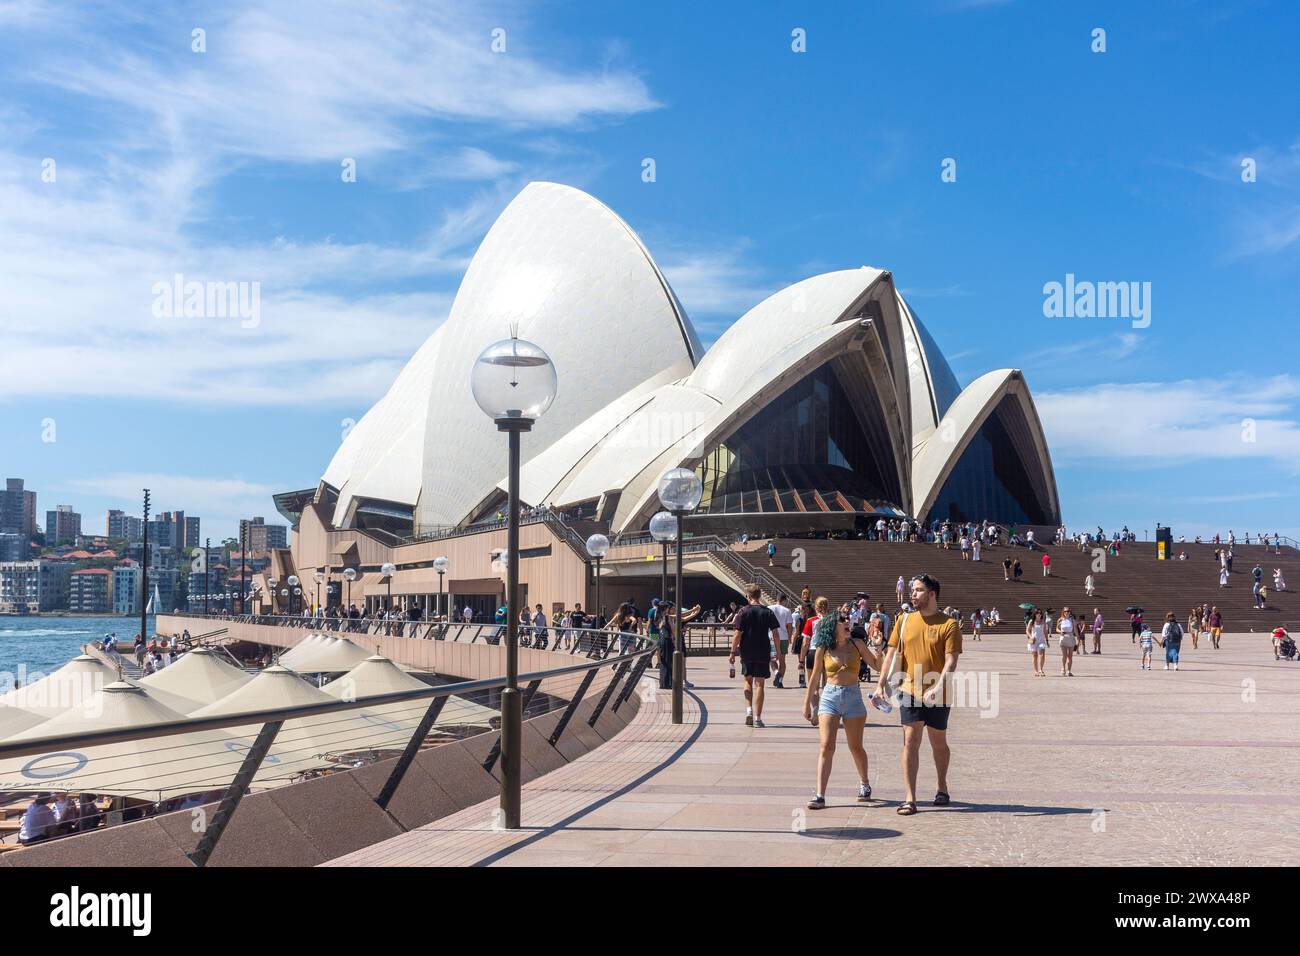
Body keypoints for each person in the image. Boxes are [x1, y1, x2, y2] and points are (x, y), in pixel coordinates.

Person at [874, 573, 962, 816]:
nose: (913, 594)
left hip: (938, 693)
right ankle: (910, 798)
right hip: (909, 689)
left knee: (938, 743)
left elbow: (951, 661)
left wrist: (938, 686)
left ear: (932, 594)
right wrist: (881, 684)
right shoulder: (903, 621)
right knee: (910, 741)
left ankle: (941, 785)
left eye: (919, 590)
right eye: (913, 590)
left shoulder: (949, 624)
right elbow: (891, 654)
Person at [802, 610, 882, 809]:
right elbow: (814, 678)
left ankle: (864, 783)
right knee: (826, 746)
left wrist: (879, 646)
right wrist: (807, 704)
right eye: (841, 621)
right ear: (832, 626)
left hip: (853, 697)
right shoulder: (824, 648)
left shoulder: (858, 644)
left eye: (847, 620)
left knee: (856, 747)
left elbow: (878, 666)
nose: (847, 623)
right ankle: (820, 794)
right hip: (830, 697)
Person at [729, 585, 780, 727]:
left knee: (747, 681)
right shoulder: (767, 612)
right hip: (763, 651)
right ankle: (758, 718)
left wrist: (733, 652)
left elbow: (737, 634)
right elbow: (775, 634)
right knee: (760, 684)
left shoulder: (743, 612)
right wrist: (778, 652)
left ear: (748, 596)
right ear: (759, 595)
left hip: (747, 651)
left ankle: (749, 710)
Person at [801, 596, 831, 720]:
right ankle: (825, 709)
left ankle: (815, 708)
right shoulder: (832, 621)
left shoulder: (810, 621)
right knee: (826, 684)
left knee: (813, 683)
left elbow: (805, 643)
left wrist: (801, 659)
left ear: (816, 607)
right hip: (828, 653)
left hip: (813, 652)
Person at [767, 594, 793, 689]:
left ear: (777, 599)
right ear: (784, 600)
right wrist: (790, 637)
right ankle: (780, 681)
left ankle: (776, 673)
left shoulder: (769, 608)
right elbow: (789, 626)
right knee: (782, 661)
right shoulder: (787, 610)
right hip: (783, 637)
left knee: (772, 659)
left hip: (771, 637)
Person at [1056, 607, 1078, 677]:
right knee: (1064, 655)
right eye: (1065, 611)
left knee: (1070, 656)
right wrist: (1060, 632)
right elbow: (1057, 629)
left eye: (1068, 611)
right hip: (1063, 638)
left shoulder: (1072, 620)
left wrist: (1078, 637)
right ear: (1063, 612)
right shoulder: (1060, 620)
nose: (1067, 612)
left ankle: (1069, 670)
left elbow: (1075, 629)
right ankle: (1063, 668)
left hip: (1070, 637)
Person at [1026, 609, 1048, 677]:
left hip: (1041, 641)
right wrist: (1031, 637)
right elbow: (1027, 630)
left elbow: (1045, 632)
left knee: (1042, 655)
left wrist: (1047, 640)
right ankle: (1036, 671)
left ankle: (1041, 669)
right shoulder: (1031, 621)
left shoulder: (1043, 622)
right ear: (1035, 614)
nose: (1039, 614)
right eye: (1037, 613)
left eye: (1040, 613)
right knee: (1035, 656)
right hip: (1034, 641)